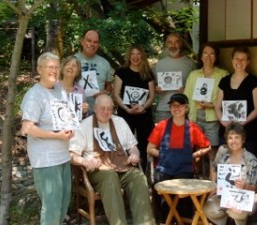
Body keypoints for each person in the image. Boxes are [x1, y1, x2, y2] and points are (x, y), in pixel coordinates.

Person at [69, 94, 156, 225]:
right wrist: (86, 162)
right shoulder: (84, 125)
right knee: (110, 177)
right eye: (102, 108)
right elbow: (72, 155)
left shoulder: (119, 122)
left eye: (109, 109)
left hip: (122, 166)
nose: (106, 112)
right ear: (95, 108)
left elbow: (133, 147)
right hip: (98, 170)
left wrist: (134, 154)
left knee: (138, 177)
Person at [20, 52, 74, 225]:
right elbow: (27, 128)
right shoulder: (34, 95)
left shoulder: (59, 89)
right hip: (46, 160)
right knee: (51, 209)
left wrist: (70, 129)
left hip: (63, 156)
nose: (54, 71)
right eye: (50, 67)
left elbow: (64, 116)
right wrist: (56, 136)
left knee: (63, 204)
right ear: (39, 69)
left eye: (57, 67)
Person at [147, 93, 211, 223]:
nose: (176, 108)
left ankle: (184, 221)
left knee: (184, 195)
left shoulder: (192, 128)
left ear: (186, 108)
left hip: (184, 168)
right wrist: (164, 154)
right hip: (164, 168)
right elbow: (149, 149)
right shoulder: (162, 126)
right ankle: (165, 221)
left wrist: (194, 155)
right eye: (173, 105)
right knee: (162, 192)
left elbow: (208, 147)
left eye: (179, 105)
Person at [203, 122, 257, 225]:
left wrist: (244, 186)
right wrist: (213, 188)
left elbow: (254, 188)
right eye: (230, 138)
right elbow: (214, 168)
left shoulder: (251, 160)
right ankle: (224, 221)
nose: (233, 141)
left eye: (237, 137)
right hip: (223, 196)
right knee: (208, 209)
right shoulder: (222, 151)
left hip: (244, 198)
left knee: (236, 212)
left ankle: (240, 221)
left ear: (243, 140)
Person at [184, 43, 228, 172]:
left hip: (213, 117)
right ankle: (197, 178)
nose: (208, 56)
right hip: (195, 116)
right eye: (205, 53)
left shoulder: (223, 74)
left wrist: (213, 105)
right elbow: (187, 97)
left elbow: (227, 98)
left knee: (212, 149)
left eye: (212, 53)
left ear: (216, 57)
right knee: (196, 149)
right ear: (201, 56)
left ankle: (212, 180)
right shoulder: (193, 75)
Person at [113, 45, 155, 172]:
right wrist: (126, 109)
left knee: (144, 143)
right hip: (126, 114)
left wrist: (143, 107)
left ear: (142, 56)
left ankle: (143, 172)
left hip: (144, 114)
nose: (135, 57)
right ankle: (125, 170)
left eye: (138, 54)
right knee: (125, 143)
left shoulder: (148, 73)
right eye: (133, 54)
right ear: (129, 56)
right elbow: (116, 94)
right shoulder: (121, 72)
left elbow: (152, 96)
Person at [214, 46, 257, 158]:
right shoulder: (224, 81)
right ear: (232, 60)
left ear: (248, 61)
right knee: (225, 163)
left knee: (246, 165)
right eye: (236, 59)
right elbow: (217, 106)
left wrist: (242, 122)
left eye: (243, 59)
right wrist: (223, 121)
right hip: (227, 130)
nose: (239, 62)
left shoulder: (253, 81)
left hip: (247, 131)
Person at [154, 33, 196, 122]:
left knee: (183, 136)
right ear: (166, 45)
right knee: (163, 136)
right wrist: (156, 89)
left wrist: (187, 89)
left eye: (176, 42)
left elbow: (197, 87)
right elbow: (152, 87)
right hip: (163, 109)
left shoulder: (190, 64)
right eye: (170, 42)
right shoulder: (159, 64)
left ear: (181, 44)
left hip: (184, 108)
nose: (173, 45)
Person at [75, 30, 113, 115]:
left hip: (99, 113)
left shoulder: (105, 63)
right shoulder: (72, 61)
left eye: (95, 42)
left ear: (98, 45)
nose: (92, 44)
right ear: (82, 41)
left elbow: (109, 86)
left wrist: (106, 93)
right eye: (89, 40)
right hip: (76, 111)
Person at [59, 55, 89, 120]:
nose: (70, 67)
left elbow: (83, 118)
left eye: (74, 66)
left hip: (73, 128)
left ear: (78, 72)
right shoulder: (53, 86)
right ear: (63, 68)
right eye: (68, 64)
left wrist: (84, 112)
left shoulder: (81, 91)